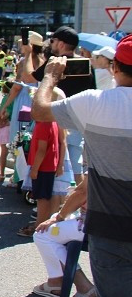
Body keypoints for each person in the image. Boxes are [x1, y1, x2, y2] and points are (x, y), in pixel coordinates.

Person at [33, 43, 132, 297]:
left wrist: (51, 76)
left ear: (115, 66)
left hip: (112, 228)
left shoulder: (96, 101)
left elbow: (41, 111)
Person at [34, 26, 96, 184]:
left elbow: (29, 78)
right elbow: (92, 92)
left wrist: (29, 53)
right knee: (75, 165)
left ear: (61, 44)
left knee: (53, 162)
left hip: (54, 119)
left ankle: (56, 198)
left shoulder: (54, 63)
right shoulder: (86, 64)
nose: (52, 44)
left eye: (53, 41)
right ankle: (79, 203)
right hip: (78, 121)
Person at [32, 176, 97, 297]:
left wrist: (59, 217)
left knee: (42, 234)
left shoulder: (104, 157)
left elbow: (82, 192)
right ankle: (58, 282)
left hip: (95, 225)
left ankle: (75, 285)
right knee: (54, 222)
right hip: (118, 225)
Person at [18, 87, 66, 238]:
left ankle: (39, 229)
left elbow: (42, 149)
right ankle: (41, 226)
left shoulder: (44, 124)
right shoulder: (52, 121)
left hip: (43, 167)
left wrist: (34, 169)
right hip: (48, 166)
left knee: (41, 198)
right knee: (44, 197)